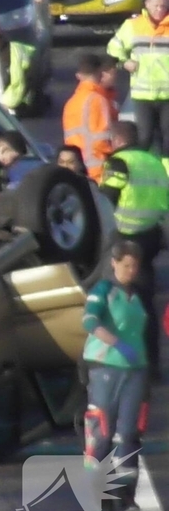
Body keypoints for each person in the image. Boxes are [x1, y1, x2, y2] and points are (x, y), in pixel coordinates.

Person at [82, 239, 149, 511]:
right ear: (114, 263)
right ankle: (97, 492)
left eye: (135, 266)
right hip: (106, 367)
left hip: (135, 369)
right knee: (102, 431)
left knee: (129, 433)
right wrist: (115, 343)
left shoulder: (138, 294)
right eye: (126, 265)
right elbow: (89, 321)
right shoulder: (104, 290)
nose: (131, 271)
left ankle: (125, 494)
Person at [98, 120, 169, 380]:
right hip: (151, 237)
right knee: (145, 300)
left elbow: (106, 199)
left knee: (115, 299)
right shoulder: (153, 162)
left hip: (125, 238)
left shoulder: (118, 163)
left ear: (116, 140)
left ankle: (120, 363)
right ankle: (151, 365)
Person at [107, 0, 169, 156]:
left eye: (163, 6)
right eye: (156, 5)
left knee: (167, 141)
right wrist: (125, 62)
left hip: (167, 96)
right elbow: (113, 48)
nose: (159, 10)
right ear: (147, 4)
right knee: (144, 139)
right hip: (143, 96)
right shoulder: (133, 26)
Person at [63, 52, 118, 182]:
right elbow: (103, 138)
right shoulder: (97, 100)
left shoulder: (72, 102)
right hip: (97, 171)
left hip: (76, 166)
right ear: (100, 72)